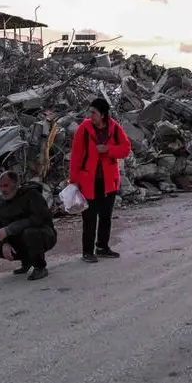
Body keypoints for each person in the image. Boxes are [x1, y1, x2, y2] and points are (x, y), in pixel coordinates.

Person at [69, 97, 131, 263]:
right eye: (90, 112)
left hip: (108, 181)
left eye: (94, 112)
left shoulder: (115, 129)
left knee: (105, 216)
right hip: (88, 181)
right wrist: (73, 180)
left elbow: (125, 149)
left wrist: (108, 149)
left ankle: (102, 247)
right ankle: (87, 252)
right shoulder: (84, 129)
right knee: (89, 217)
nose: (90, 116)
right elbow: (76, 155)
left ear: (103, 115)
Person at [0, 171, 57, 280]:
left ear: (15, 184)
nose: (3, 189)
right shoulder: (1, 201)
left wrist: (10, 229)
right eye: (0, 186)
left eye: (6, 185)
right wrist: (4, 242)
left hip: (43, 235)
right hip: (18, 239)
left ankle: (40, 267)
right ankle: (27, 260)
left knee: (29, 233)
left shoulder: (32, 195)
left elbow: (37, 219)